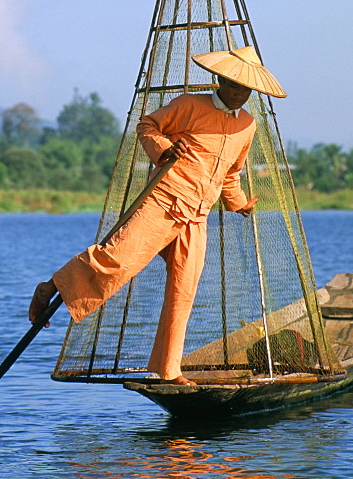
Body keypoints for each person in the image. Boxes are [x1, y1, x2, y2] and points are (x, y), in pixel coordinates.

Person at [28, 45, 286, 385]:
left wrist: (237, 202)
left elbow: (230, 172)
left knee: (183, 291)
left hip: (197, 215)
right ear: (219, 80)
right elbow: (148, 126)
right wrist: (165, 148)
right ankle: (51, 286)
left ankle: (169, 371)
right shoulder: (190, 104)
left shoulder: (247, 126)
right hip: (164, 200)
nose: (239, 94)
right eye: (234, 86)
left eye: (245, 89)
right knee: (119, 260)